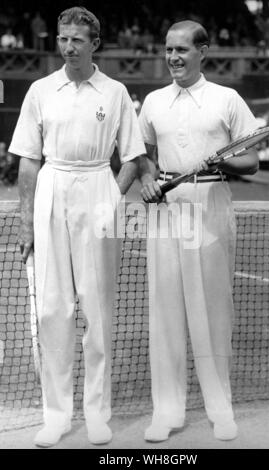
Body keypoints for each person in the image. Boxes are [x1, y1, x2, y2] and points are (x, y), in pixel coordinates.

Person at [9, 6, 145, 447]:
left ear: (95, 44)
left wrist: (111, 197)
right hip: (52, 188)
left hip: (97, 190)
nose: (68, 47)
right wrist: (26, 222)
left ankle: (98, 413)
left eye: (77, 40)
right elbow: (28, 162)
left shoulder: (117, 91)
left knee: (99, 312)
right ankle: (56, 415)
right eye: (63, 39)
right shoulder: (40, 90)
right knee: (53, 310)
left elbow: (132, 158)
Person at [139, 20, 259, 442]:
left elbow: (252, 161)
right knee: (166, 311)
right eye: (168, 49)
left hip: (211, 206)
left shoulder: (227, 99)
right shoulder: (152, 101)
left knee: (212, 312)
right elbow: (146, 157)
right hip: (166, 212)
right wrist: (149, 179)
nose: (173, 57)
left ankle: (220, 409)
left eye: (182, 50)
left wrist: (219, 161)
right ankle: (166, 411)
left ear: (202, 51)